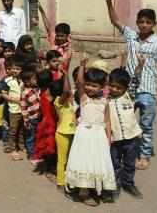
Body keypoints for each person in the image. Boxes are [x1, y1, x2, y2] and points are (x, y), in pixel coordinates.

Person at [105, 0, 157, 170]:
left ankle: (144, 155)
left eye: (148, 22)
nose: (144, 25)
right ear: (137, 23)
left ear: (154, 24)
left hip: (148, 90)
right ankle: (124, 151)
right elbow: (115, 21)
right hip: (128, 89)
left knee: (146, 125)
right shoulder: (131, 36)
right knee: (123, 120)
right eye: (141, 21)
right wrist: (109, 3)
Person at [64, 56, 116, 206]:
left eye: (94, 86)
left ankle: (94, 187)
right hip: (84, 135)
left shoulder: (105, 101)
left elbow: (107, 120)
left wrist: (108, 137)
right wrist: (82, 66)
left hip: (99, 136)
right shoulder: (83, 97)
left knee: (96, 161)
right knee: (84, 160)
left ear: (102, 87)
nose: (90, 88)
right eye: (88, 84)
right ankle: (83, 192)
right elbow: (80, 82)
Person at [108, 68, 143, 201]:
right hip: (115, 140)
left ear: (125, 88)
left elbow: (135, 80)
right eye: (112, 86)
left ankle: (128, 183)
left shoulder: (128, 96)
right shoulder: (106, 100)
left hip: (131, 139)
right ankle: (116, 185)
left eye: (119, 87)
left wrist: (140, 65)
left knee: (129, 163)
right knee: (115, 163)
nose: (115, 90)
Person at [53, 69, 76, 194]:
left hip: (72, 133)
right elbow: (67, 91)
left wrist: (65, 76)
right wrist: (66, 75)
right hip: (62, 133)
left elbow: (69, 91)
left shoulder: (69, 103)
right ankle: (60, 183)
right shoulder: (58, 102)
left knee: (71, 159)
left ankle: (70, 181)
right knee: (62, 160)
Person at [2, 55, 25, 161]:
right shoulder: (7, 81)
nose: (15, 70)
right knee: (13, 130)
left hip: (24, 109)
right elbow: (4, 94)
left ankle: (21, 146)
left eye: (18, 69)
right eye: (13, 68)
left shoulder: (24, 80)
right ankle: (13, 150)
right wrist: (15, 100)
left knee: (21, 129)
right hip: (14, 109)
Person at [20, 68, 41, 162]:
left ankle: (36, 152)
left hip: (39, 117)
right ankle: (31, 156)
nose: (37, 80)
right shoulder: (25, 93)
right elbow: (23, 108)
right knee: (30, 138)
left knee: (37, 136)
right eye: (34, 79)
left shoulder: (36, 89)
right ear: (27, 82)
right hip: (31, 120)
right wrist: (26, 121)